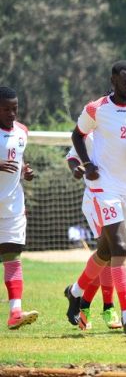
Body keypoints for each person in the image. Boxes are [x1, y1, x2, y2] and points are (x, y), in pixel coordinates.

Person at [65, 60, 126, 335]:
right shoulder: (97, 108)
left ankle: (75, 292)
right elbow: (77, 135)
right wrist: (87, 164)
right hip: (102, 186)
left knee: (106, 252)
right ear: (114, 80)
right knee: (119, 247)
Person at [66, 135, 121, 330]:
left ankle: (80, 300)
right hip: (95, 200)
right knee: (109, 253)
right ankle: (107, 307)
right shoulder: (89, 134)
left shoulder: (122, 129)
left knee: (107, 253)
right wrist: (76, 169)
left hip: (119, 198)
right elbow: (72, 157)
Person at [0, 86, 38, 330]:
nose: (11, 113)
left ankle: (15, 311)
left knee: (13, 257)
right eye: (6, 109)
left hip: (13, 206)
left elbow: (18, 159)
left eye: (14, 108)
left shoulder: (22, 131)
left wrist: (25, 171)